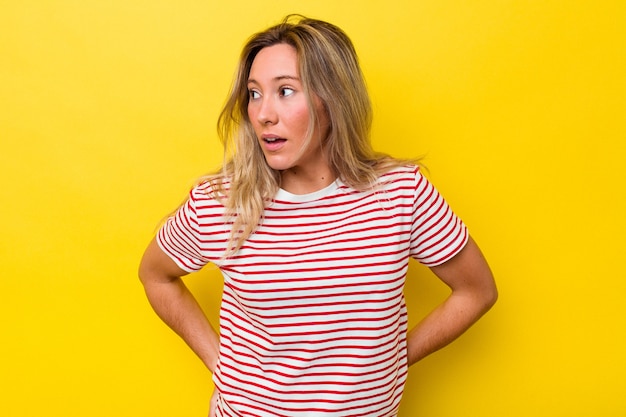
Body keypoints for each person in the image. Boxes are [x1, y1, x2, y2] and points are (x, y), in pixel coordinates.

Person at [139, 15, 497, 417]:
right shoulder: (222, 202)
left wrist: (393, 361)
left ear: (334, 99)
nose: (263, 114)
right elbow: (155, 274)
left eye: (285, 91)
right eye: (254, 94)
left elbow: (477, 290)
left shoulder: (400, 193)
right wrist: (219, 363)